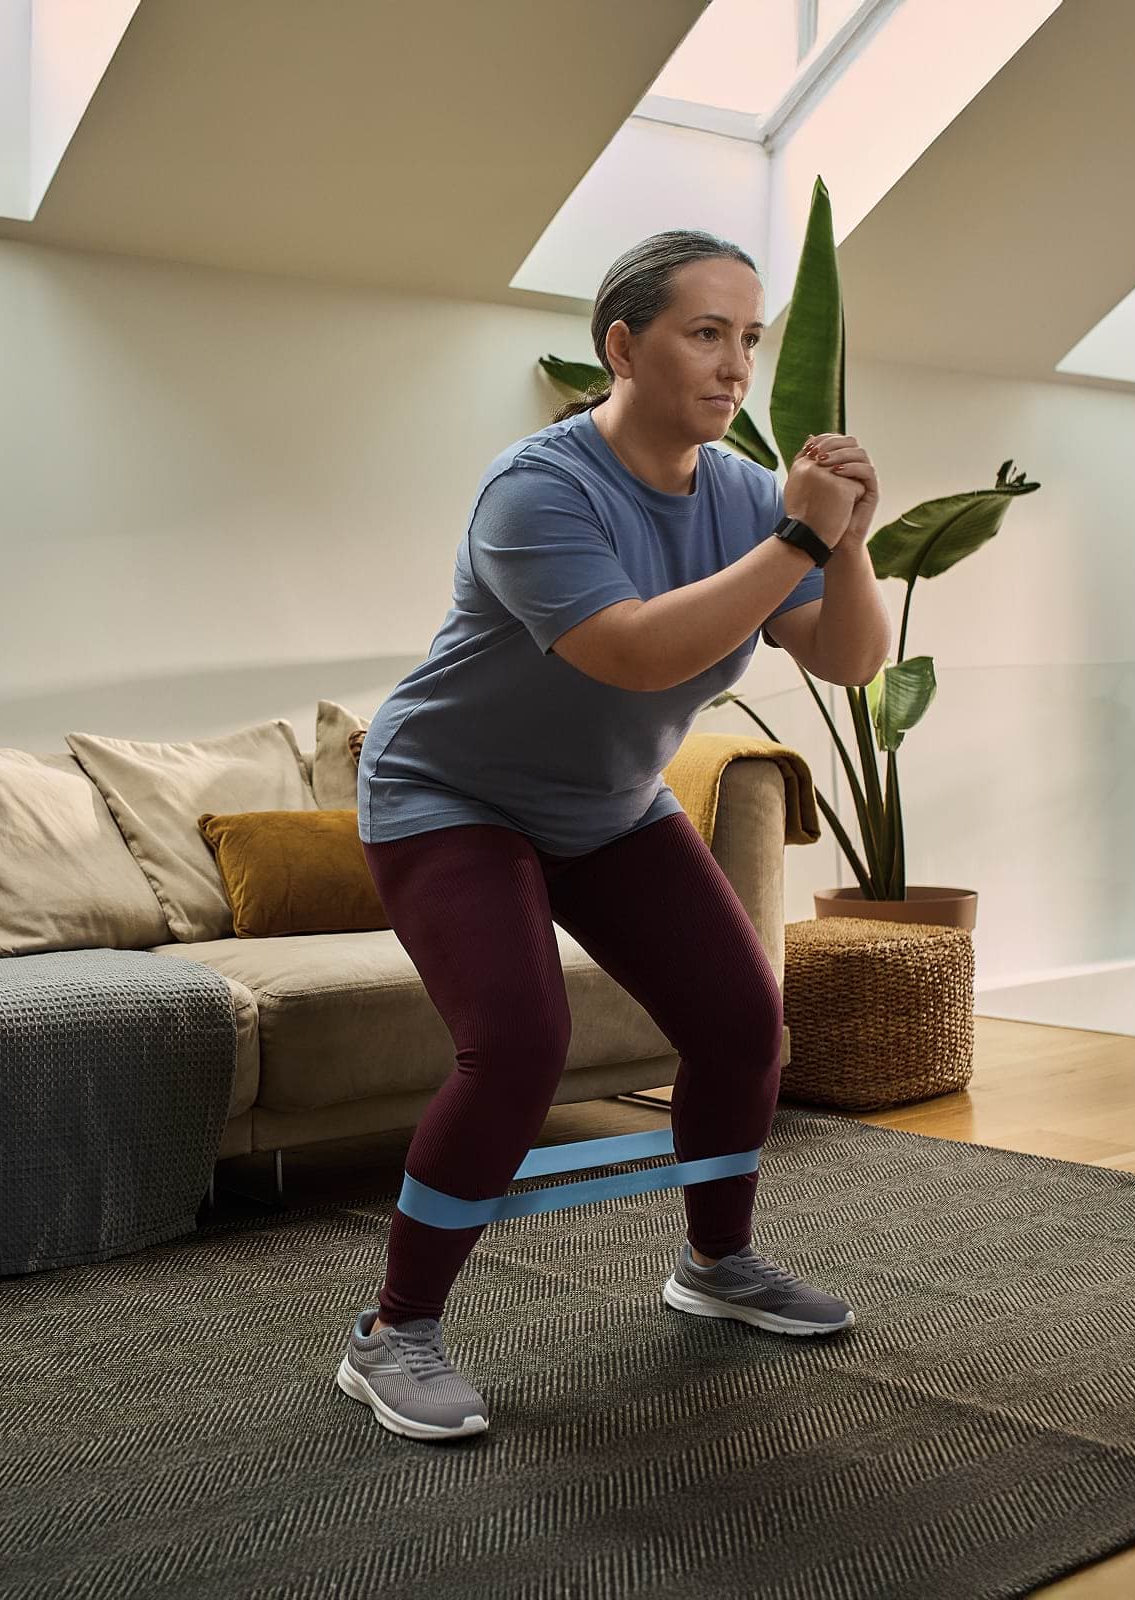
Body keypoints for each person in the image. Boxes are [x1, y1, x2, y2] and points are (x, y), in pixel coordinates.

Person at [334, 228, 880, 1442]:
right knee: (518, 1042)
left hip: (608, 808)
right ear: (621, 345)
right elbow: (634, 653)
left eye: (750, 338)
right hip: (449, 795)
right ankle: (391, 1333)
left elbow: (847, 662)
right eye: (706, 333)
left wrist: (845, 546)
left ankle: (716, 1263)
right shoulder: (537, 489)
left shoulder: (743, 494)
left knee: (742, 1021)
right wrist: (795, 538)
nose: (737, 365)